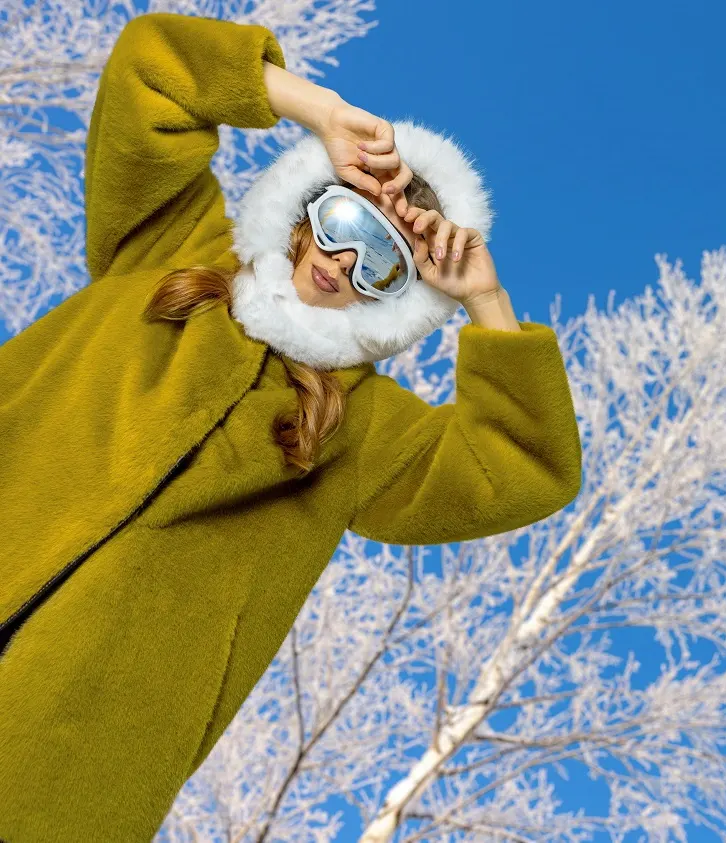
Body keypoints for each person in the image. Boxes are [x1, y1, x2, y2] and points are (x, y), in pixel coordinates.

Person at [0, 11, 582, 841]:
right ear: (312, 204)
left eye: (381, 260)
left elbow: (521, 468)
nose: (343, 261)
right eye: (344, 223)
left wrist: (484, 300)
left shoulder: (363, 431)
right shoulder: (171, 242)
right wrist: (316, 110)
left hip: (75, 740)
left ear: (398, 296)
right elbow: (150, 69)